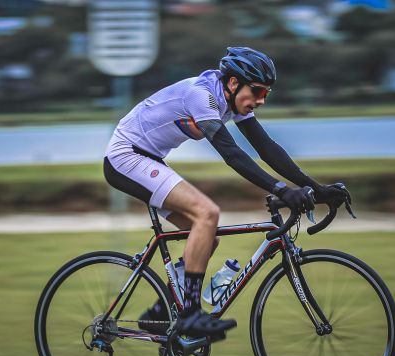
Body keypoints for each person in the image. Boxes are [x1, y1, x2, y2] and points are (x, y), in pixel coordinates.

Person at [103, 47, 349, 340]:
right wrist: (281, 189)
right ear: (233, 83)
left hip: (149, 159)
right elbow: (232, 154)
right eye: (256, 91)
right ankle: (190, 316)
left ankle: (160, 312)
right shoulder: (202, 95)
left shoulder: (232, 102)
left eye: (266, 93)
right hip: (126, 157)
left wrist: (316, 188)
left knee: (207, 236)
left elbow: (265, 147)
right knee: (207, 213)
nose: (260, 100)